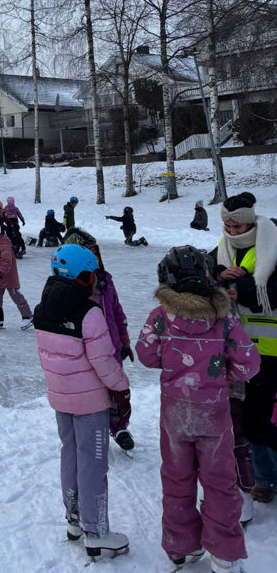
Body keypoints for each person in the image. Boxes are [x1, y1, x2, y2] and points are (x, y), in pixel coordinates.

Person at [136, 245, 260, 572]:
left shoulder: (160, 317)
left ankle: (181, 547)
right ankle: (224, 553)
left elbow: (146, 355)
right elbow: (249, 362)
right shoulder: (225, 318)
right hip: (214, 412)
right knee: (220, 482)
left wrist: (173, 365)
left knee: (177, 479)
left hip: (175, 413)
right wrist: (222, 375)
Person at [32, 243, 130, 560]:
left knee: (70, 456)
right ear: (85, 276)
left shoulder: (42, 309)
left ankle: (74, 521)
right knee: (93, 464)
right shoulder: (90, 313)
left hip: (61, 399)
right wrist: (122, 388)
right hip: (90, 404)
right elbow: (104, 362)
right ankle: (96, 531)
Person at [212, 191, 277, 508]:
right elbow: (206, 275)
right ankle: (263, 478)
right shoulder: (224, 249)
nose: (231, 232)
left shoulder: (272, 243)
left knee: (265, 420)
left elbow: (273, 291)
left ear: (249, 223)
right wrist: (220, 276)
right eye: (227, 226)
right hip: (239, 349)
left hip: (272, 350)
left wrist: (240, 289)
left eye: (236, 227)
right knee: (247, 418)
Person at [92, 247, 135, 451]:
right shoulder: (76, 285)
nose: (93, 259)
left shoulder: (106, 280)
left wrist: (124, 339)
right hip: (90, 349)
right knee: (94, 391)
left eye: (95, 254)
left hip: (112, 346)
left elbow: (116, 310)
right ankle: (93, 428)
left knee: (117, 389)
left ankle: (119, 427)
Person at [0, 221, 32, 331]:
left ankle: (27, 316)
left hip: (8, 276)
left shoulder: (4, 245)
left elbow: (7, 261)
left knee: (16, 296)